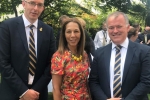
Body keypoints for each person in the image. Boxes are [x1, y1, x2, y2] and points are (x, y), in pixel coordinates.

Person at [0, 0, 56, 100]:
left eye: (39, 5)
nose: (35, 8)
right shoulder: (7, 27)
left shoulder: (48, 31)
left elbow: (52, 63)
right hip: (12, 93)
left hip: (38, 94)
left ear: (43, 8)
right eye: (32, 3)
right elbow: (3, 62)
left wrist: (35, 91)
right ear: (24, 4)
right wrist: (23, 92)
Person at [89, 11, 150, 100]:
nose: (115, 31)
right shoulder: (99, 53)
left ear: (128, 27)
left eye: (119, 26)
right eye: (111, 27)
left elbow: (146, 82)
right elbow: (93, 81)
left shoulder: (144, 51)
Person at [51, 18, 91, 100]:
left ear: (81, 33)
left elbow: (85, 82)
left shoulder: (84, 55)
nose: (73, 35)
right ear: (64, 35)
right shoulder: (59, 57)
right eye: (69, 32)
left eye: (76, 31)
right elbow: (56, 89)